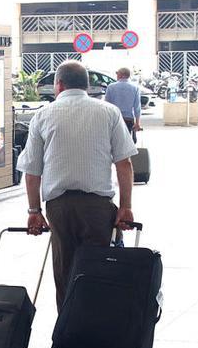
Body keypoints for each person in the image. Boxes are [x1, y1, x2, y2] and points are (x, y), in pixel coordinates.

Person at [17, 60, 137, 311]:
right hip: (99, 209)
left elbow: (32, 171)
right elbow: (124, 164)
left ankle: (68, 337)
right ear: (88, 85)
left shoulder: (43, 115)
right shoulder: (109, 112)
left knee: (65, 274)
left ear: (58, 84)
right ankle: (97, 335)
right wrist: (125, 207)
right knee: (98, 271)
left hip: (59, 209)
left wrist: (34, 211)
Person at [103, 67, 142, 143]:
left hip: (114, 118)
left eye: (117, 74)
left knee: (114, 141)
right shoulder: (135, 88)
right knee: (126, 142)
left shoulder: (111, 87)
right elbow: (137, 107)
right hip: (128, 119)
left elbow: (107, 104)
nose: (117, 76)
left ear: (121, 75)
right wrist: (137, 123)